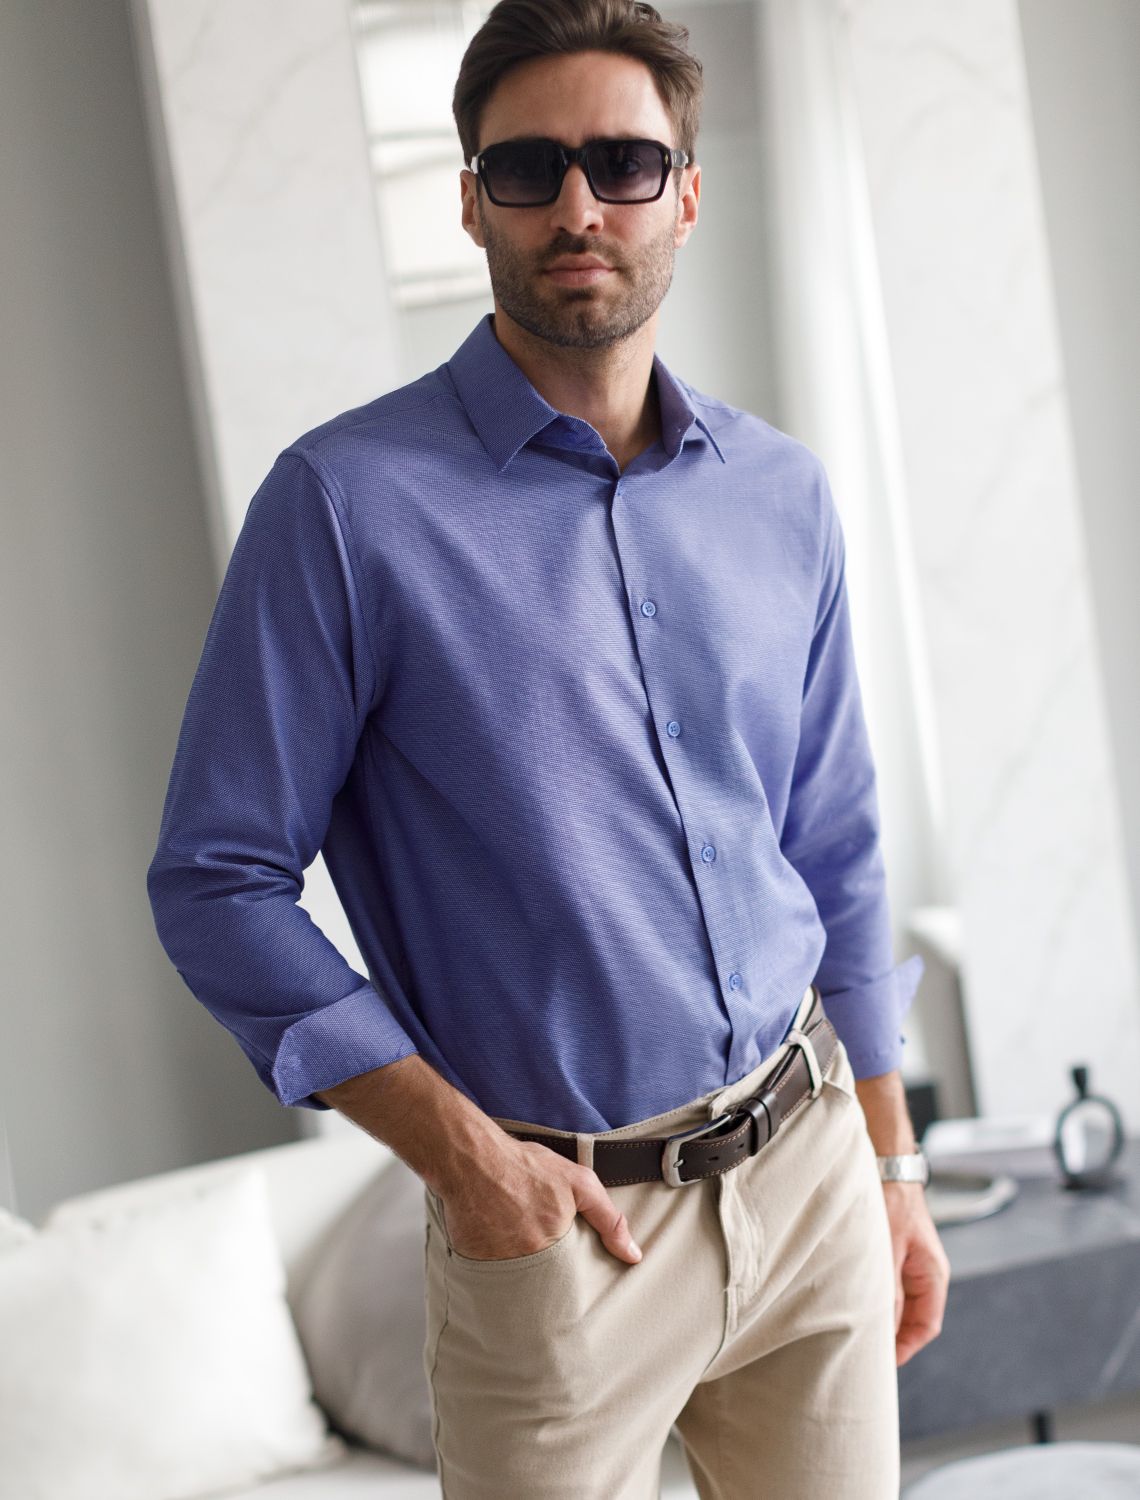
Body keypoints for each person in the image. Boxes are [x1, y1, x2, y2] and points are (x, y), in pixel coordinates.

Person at [147, 1, 950, 1494]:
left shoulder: (782, 495)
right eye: (528, 168)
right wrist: (460, 1156)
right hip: (563, 1236)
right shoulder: (343, 508)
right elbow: (216, 880)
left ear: (686, 192)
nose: (578, 206)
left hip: (810, 1169)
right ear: (471, 201)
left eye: (624, 163)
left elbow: (832, 844)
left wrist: (891, 1161)